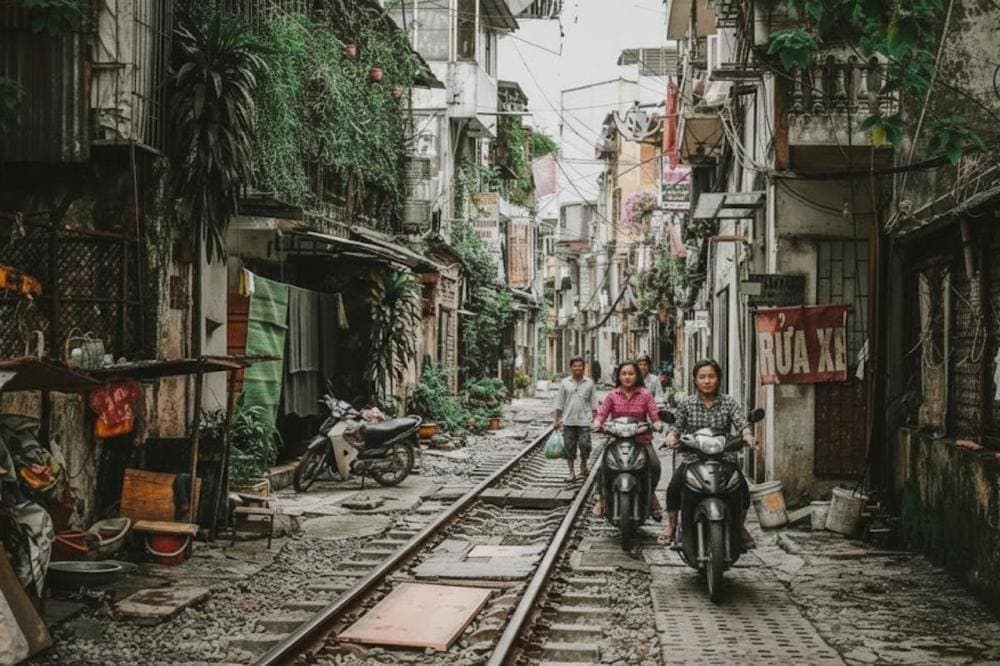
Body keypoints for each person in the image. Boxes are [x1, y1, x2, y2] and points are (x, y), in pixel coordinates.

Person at [658, 359, 759, 548]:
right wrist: (671, 436)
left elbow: (741, 422)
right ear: (695, 380)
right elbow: (676, 426)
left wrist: (747, 435)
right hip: (693, 458)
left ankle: (739, 526)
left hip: (724, 458)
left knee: (743, 491)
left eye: (711, 376)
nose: (707, 381)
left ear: (718, 379)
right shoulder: (687, 404)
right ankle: (671, 526)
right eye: (702, 377)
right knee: (673, 488)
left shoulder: (728, 402)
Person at [591, 360, 664, 519]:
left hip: (641, 440)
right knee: (602, 468)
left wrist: (657, 423)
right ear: (619, 376)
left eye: (631, 373)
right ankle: (602, 499)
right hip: (617, 440)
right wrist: (597, 422)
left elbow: (654, 414)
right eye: (624, 374)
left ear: (637, 375)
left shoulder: (645, 394)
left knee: (654, 465)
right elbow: (602, 413)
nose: (627, 377)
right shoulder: (612, 395)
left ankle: (651, 495)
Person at [554, 356, 598, 482]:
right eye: (575, 366)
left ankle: (583, 463)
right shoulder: (565, 383)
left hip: (584, 420)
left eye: (580, 366)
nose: (578, 368)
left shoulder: (589, 383)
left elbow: (594, 403)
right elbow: (559, 402)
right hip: (568, 420)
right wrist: (557, 419)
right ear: (571, 367)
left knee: (585, 445)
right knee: (569, 448)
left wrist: (594, 419)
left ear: (584, 368)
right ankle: (571, 472)